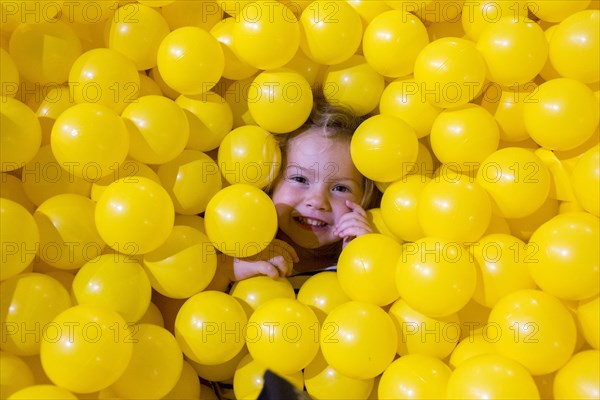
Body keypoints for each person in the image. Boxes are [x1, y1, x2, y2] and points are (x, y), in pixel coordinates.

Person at [219, 99, 381, 282]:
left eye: (340, 188)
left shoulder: (353, 265)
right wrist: (227, 271)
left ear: (364, 199)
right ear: (271, 183)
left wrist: (364, 256)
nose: (318, 200)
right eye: (300, 179)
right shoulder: (240, 255)